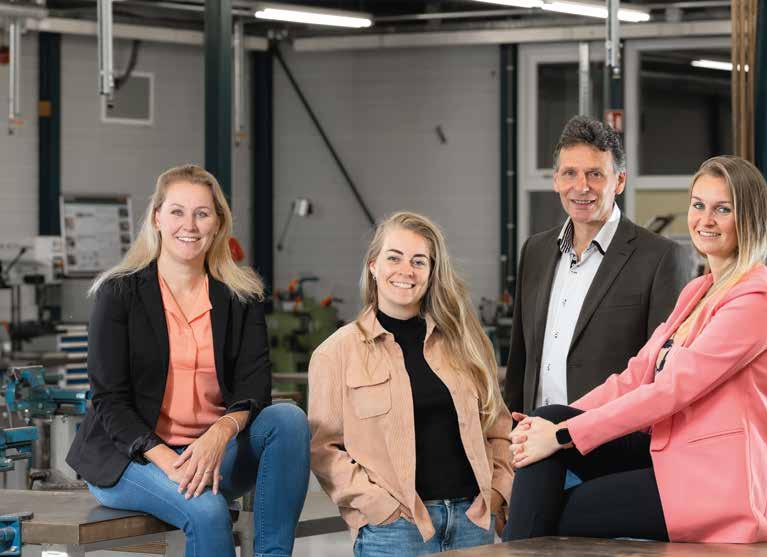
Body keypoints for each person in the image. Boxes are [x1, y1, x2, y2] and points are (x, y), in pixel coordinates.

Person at [503, 155, 767, 544]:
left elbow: (670, 392)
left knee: (551, 506)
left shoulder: (756, 301)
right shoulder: (698, 291)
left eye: (723, 209)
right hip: (667, 457)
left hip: (710, 481)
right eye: (698, 205)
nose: (705, 220)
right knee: (547, 416)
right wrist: (551, 427)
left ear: (749, 219)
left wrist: (563, 435)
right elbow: (636, 375)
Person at [66, 164, 310, 557]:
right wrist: (169, 462)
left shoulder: (241, 295)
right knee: (207, 510)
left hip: (212, 453)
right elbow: (109, 399)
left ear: (218, 224)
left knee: (289, 419)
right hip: (132, 457)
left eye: (202, 213)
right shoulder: (120, 293)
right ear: (157, 218)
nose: (190, 225)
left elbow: (254, 386)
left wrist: (218, 435)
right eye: (177, 211)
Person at [308, 212, 513, 556]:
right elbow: (323, 449)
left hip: (471, 523)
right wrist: (378, 507)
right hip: (394, 531)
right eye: (394, 258)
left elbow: (499, 426)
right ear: (373, 266)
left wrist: (496, 493)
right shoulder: (336, 353)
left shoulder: (466, 343)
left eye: (419, 261)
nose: (406, 271)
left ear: (432, 273)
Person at [504, 115, 690, 415]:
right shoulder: (535, 251)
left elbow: (662, 376)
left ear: (620, 181)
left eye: (595, 174)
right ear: (556, 180)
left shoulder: (660, 258)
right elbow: (520, 361)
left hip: (611, 441)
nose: (581, 187)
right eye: (570, 173)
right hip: (534, 435)